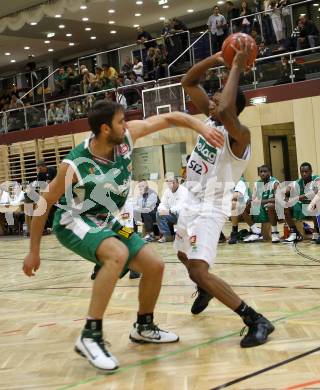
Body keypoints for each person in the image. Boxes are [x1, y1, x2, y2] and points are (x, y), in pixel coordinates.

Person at [22, 100, 224, 371]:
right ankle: (90, 336)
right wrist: (34, 251)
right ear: (105, 129)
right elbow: (42, 204)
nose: (126, 125)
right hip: (75, 221)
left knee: (154, 265)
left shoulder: (126, 138)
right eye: (120, 121)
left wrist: (200, 126)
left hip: (108, 220)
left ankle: (144, 326)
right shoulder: (75, 163)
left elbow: (171, 118)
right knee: (117, 255)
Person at [177, 40, 274, 348]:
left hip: (210, 205)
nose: (211, 102)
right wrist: (216, 58)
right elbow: (188, 82)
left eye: (216, 99)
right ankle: (204, 288)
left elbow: (229, 107)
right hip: (190, 199)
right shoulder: (210, 120)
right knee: (182, 254)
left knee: (198, 269)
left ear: (229, 107)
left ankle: (255, 319)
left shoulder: (240, 136)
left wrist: (235, 65)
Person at [242, 165, 280, 243]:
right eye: (261, 172)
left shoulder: (275, 183)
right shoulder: (257, 183)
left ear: (269, 172)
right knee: (243, 207)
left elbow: (278, 199)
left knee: (266, 239)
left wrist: (260, 202)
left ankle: (274, 233)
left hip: (274, 208)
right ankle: (255, 230)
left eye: (265, 171)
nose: (262, 173)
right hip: (262, 207)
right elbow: (254, 197)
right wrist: (249, 200)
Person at [284, 162, 320, 242]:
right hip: (303, 206)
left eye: (306, 172)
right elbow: (286, 190)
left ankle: (317, 230)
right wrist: (286, 196)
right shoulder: (297, 182)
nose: (304, 174)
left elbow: (315, 191)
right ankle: (294, 232)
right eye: (302, 172)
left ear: (311, 171)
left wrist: (296, 198)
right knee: (285, 206)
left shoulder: (316, 179)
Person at [156, 176, 188, 243]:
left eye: (173, 182)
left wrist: (170, 210)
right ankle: (167, 236)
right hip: (171, 213)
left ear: (177, 183)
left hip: (183, 214)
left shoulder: (184, 191)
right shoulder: (167, 191)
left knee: (180, 212)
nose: (171, 185)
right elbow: (163, 203)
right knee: (159, 213)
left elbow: (182, 205)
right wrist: (162, 209)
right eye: (169, 183)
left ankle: (182, 236)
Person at [228, 176, 251, 244]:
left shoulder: (240, 180)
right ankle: (220, 236)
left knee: (234, 204)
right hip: (238, 209)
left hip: (247, 208)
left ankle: (234, 233)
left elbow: (236, 196)